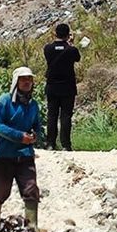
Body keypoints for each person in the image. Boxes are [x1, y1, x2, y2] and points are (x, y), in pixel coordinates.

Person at [0, 66, 44, 229]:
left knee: (31, 189)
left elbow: (37, 126)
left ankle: (32, 227)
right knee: (0, 190)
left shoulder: (33, 105)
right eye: (23, 79)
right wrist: (19, 136)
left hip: (25, 154)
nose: (27, 82)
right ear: (16, 82)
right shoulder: (5, 101)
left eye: (29, 79)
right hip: (3, 154)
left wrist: (35, 135)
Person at [43, 23, 81, 151]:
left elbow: (52, 52)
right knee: (66, 116)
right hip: (67, 87)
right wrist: (71, 43)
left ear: (55, 34)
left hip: (52, 86)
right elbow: (77, 58)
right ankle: (66, 144)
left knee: (52, 115)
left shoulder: (47, 48)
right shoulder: (71, 50)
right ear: (68, 34)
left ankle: (50, 143)